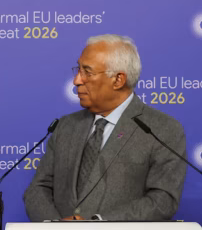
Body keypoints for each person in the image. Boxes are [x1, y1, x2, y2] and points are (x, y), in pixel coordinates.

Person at [24, 34, 186, 221]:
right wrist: (57, 226)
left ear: (118, 80)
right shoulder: (66, 126)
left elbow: (163, 201)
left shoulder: (162, 129)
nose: (77, 80)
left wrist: (98, 224)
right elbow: (38, 189)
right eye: (78, 70)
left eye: (87, 72)